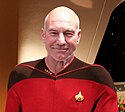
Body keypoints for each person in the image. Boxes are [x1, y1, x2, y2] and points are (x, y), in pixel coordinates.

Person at [6, 6, 118, 112]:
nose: (61, 41)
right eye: (53, 33)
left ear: (78, 36)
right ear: (43, 35)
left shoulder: (98, 78)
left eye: (68, 34)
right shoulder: (20, 75)